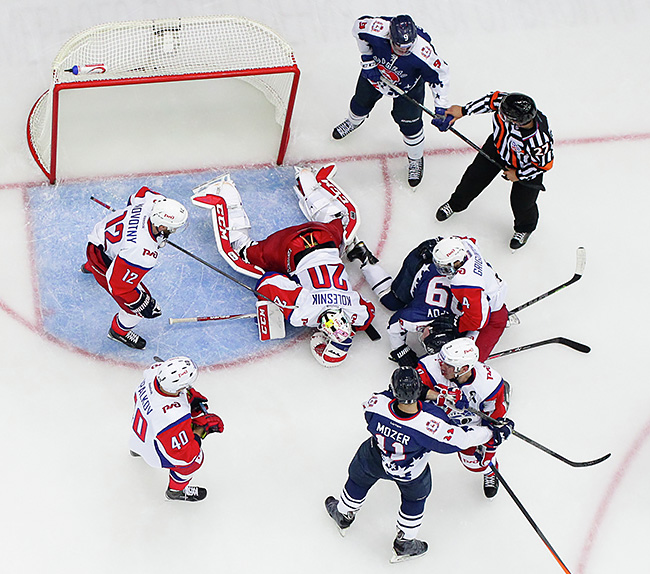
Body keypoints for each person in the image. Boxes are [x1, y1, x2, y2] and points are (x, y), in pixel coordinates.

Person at [192, 165, 376, 367]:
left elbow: (369, 312)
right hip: (289, 245)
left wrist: (353, 326)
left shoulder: (359, 312)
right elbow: (266, 282)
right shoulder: (302, 313)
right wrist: (282, 308)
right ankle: (226, 195)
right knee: (242, 252)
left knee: (339, 221)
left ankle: (308, 180)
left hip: (324, 237)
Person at [324, 366, 513, 562]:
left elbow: (378, 404)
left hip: (374, 457)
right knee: (414, 501)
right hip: (410, 471)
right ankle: (405, 543)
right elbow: (461, 439)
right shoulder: (431, 423)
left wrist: (438, 397)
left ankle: (343, 514)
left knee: (358, 480)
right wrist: (494, 432)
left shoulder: (376, 404)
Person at [332, 14, 453, 188]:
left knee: (410, 126)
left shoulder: (423, 52)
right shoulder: (376, 29)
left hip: (407, 88)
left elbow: (440, 76)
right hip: (375, 75)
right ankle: (352, 122)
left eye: (407, 47)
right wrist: (367, 59)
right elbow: (358, 28)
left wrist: (441, 108)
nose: (404, 51)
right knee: (359, 104)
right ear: (390, 36)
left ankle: (415, 159)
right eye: (399, 47)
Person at [434, 92, 554, 250]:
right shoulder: (506, 102)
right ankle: (455, 204)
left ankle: (524, 228)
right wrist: (463, 111)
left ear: (516, 121)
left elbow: (544, 165)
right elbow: (489, 100)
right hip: (497, 148)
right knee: (473, 177)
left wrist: (517, 175)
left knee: (522, 203)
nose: (499, 113)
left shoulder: (539, 141)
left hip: (525, 166)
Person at [81, 186, 188, 349]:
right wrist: (142, 303)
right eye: (172, 228)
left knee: (111, 255)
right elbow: (118, 285)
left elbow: (137, 196)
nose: (174, 231)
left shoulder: (154, 202)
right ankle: (118, 332)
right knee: (135, 312)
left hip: (101, 235)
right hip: (102, 257)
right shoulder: (143, 253)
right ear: (161, 227)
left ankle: (90, 267)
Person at [415, 338, 510, 498]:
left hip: (469, 425)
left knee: (474, 463)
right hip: (436, 418)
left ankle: (489, 469)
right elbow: (406, 390)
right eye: (441, 359)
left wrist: (487, 450)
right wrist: (439, 396)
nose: (441, 365)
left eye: (448, 365)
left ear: (464, 368)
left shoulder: (489, 384)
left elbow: (493, 423)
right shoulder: (430, 366)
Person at [347, 237, 456, 366]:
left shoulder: (464, 317)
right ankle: (363, 255)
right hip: (425, 257)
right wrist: (399, 350)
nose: (422, 338)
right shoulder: (418, 317)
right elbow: (394, 325)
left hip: (450, 257)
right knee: (392, 301)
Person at [129, 356, 224, 502]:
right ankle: (175, 491)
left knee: (146, 434)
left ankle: (136, 451)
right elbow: (184, 455)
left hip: (139, 435)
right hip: (155, 451)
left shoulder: (154, 373)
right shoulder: (174, 417)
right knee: (195, 461)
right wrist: (201, 429)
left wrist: (188, 400)